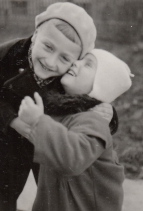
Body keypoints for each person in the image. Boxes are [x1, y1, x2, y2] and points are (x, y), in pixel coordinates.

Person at [0, 2, 112, 211]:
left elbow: (91, 98)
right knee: (6, 188)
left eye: (65, 58)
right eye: (48, 46)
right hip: (6, 142)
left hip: (47, 144)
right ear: (36, 34)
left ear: (75, 62)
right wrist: (14, 121)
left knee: (49, 193)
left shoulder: (72, 75)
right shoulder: (4, 55)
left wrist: (108, 114)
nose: (51, 61)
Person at [18, 49, 134, 211]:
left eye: (87, 64)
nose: (76, 63)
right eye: (80, 59)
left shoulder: (94, 121)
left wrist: (38, 122)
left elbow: (72, 159)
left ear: (99, 86)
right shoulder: (64, 109)